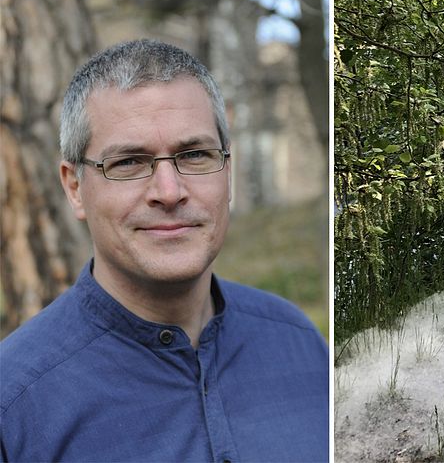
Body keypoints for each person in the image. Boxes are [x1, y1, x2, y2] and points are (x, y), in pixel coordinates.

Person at [0, 39, 329, 462]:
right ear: (75, 187)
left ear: (227, 171)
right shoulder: (15, 403)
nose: (169, 192)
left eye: (194, 155)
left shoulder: (298, 343)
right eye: (129, 163)